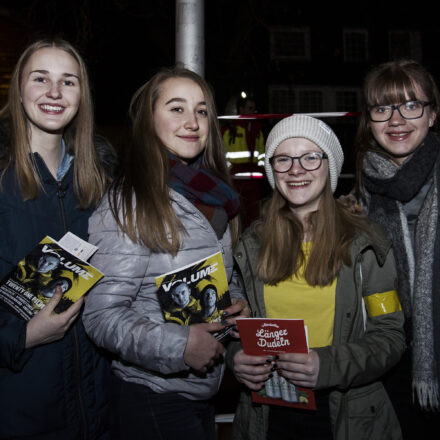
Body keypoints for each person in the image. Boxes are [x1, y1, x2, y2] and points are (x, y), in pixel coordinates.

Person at [82, 65, 248, 440]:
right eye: (176, 108)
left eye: (202, 110)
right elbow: (101, 315)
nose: (192, 121)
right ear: (148, 121)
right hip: (152, 396)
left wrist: (237, 301)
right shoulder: (129, 204)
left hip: (202, 390)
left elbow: (223, 273)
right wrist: (180, 345)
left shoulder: (214, 197)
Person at [228, 114, 405, 439]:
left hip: (345, 416)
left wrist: (329, 365)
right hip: (267, 416)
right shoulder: (252, 244)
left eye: (311, 157)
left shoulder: (366, 245)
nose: (296, 169)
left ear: (330, 166)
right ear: (272, 170)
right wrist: (234, 357)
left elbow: (390, 336)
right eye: (284, 159)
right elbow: (236, 326)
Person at [0, 38, 113, 440]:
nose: (54, 92)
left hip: (97, 410)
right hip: (21, 414)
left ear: (82, 95)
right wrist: (25, 336)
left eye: (68, 81)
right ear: (19, 89)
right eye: (40, 78)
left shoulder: (101, 185)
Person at [354, 59, 440, 438]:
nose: (396, 119)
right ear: (370, 121)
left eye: (411, 105)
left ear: (432, 115)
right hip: (389, 354)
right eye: (382, 108)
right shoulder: (361, 197)